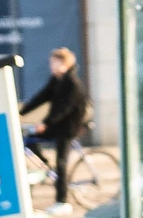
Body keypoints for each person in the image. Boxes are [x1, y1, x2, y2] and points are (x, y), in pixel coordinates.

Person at [20, 47, 91, 206]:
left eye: (55, 63)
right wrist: (21, 112)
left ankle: (62, 201)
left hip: (69, 127)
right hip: (56, 125)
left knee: (61, 162)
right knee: (29, 140)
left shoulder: (72, 84)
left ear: (64, 64)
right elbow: (42, 96)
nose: (51, 66)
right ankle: (45, 163)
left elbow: (64, 109)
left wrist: (46, 123)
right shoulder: (56, 80)